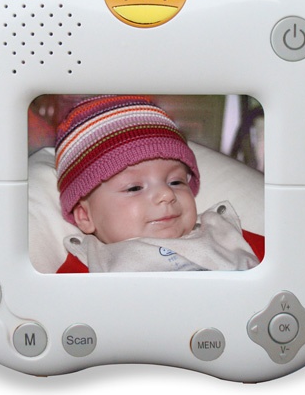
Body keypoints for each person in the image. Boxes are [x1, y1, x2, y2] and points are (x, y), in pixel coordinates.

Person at [54, 95, 260, 272]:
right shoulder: (90, 262)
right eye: (134, 188)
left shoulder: (221, 234)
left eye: (176, 182)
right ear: (85, 216)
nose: (166, 194)